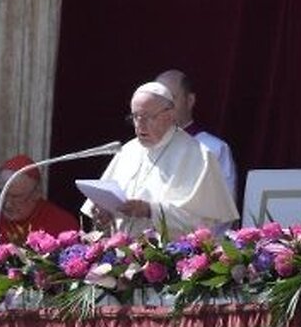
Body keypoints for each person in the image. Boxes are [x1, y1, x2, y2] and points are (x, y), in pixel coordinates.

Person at [81, 81, 238, 236]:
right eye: (136, 116)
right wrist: (104, 214)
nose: (140, 125)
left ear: (169, 116)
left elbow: (204, 222)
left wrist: (150, 210)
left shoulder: (198, 155)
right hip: (122, 254)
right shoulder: (128, 151)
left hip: (170, 257)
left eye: (148, 117)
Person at [0, 154, 81, 247]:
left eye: (16, 197)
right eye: (2, 195)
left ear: (36, 193)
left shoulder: (63, 225)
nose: (7, 205)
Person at [155, 69, 238, 201]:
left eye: (171, 98)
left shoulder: (213, 149)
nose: (163, 107)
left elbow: (223, 212)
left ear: (190, 100)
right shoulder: (139, 150)